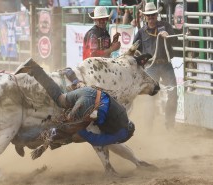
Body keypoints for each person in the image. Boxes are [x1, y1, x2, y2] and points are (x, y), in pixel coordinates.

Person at [16, 58, 135, 146]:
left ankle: (35, 69)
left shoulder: (123, 113)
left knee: (60, 99)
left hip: (89, 92)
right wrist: (80, 131)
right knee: (63, 128)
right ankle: (22, 137)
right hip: (89, 106)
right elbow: (97, 140)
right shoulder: (122, 134)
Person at [132, 2, 178, 130]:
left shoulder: (166, 26)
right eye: (149, 16)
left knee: (173, 93)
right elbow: (135, 48)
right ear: (145, 17)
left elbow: (175, 41)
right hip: (151, 67)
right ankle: (148, 126)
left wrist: (168, 37)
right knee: (149, 99)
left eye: (153, 15)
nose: (151, 18)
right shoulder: (141, 32)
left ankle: (169, 124)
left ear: (156, 15)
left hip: (165, 63)